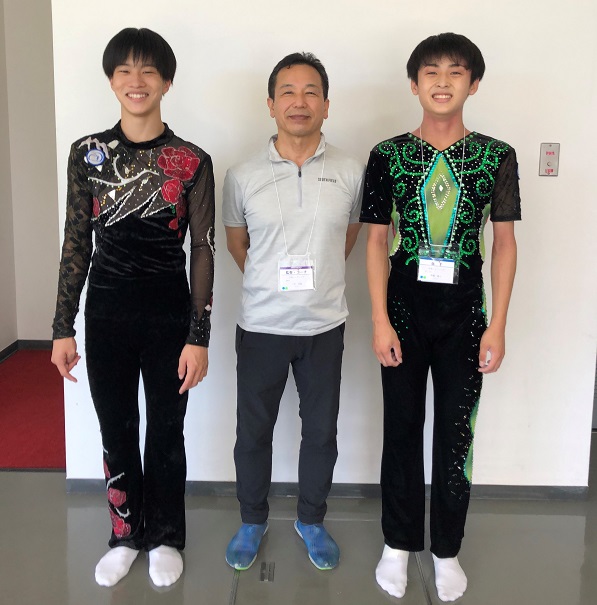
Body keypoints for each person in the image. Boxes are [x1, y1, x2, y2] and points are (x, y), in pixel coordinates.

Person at [50, 28, 215, 588]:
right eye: (125, 70)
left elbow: (203, 250)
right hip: (107, 315)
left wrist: (198, 335)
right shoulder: (88, 154)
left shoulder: (190, 160)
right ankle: (124, 534)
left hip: (169, 314)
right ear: (111, 80)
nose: (136, 81)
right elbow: (76, 242)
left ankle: (165, 534)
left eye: (148, 71)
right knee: (116, 429)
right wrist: (62, 328)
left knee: (166, 432)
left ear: (167, 81)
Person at [360, 33, 520, 602]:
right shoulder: (387, 155)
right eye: (431, 72)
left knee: (456, 434)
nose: (443, 81)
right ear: (414, 84)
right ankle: (398, 543)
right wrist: (379, 319)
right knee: (401, 428)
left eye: (456, 72)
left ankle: (447, 547)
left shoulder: (496, 156)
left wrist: (497, 324)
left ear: (473, 84)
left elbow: (504, 244)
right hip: (403, 311)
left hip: (466, 315)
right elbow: (375, 241)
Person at [222, 52, 364, 572]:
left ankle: (311, 519)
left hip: (324, 326)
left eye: (310, 92)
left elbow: (347, 238)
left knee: (321, 432)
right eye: (287, 91)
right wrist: (273, 285)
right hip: (261, 326)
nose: (299, 102)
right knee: (252, 433)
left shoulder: (351, 171)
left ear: (326, 104)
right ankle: (252, 519)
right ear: (270, 104)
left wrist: (314, 283)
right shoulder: (241, 175)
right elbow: (238, 245)